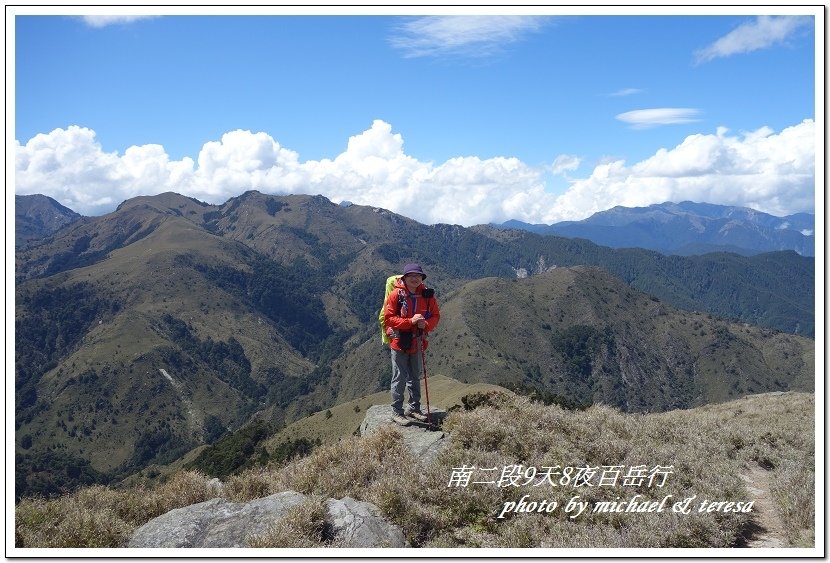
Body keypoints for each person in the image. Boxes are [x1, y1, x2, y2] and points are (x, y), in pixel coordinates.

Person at [383, 263, 440, 425]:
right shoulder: (396, 295)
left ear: (422, 278)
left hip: (417, 341)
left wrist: (426, 325)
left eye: (418, 276)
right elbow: (389, 319)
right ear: (404, 278)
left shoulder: (427, 296)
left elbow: (435, 315)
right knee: (399, 377)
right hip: (399, 341)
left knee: (414, 377)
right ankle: (397, 411)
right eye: (411, 276)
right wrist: (411, 321)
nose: (415, 278)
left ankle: (414, 408)